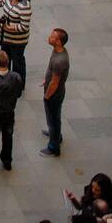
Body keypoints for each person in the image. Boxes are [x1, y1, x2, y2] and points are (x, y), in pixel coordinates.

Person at [0, 0, 32, 85]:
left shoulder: (25, 6)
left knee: (17, 63)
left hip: (17, 41)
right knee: (5, 61)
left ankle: (18, 84)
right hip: (6, 37)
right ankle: (7, 81)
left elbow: (24, 27)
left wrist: (9, 27)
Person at [39, 27, 70, 158]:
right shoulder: (58, 51)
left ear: (58, 42)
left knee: (53, 119)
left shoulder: (60, 61)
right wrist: (45, 79)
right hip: (54, 92)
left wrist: (47, 96)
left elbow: (55, 82)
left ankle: (53, 147)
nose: (49, 37)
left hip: (54, 95)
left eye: (52, 36)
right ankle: (56, 135)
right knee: (54, 118)